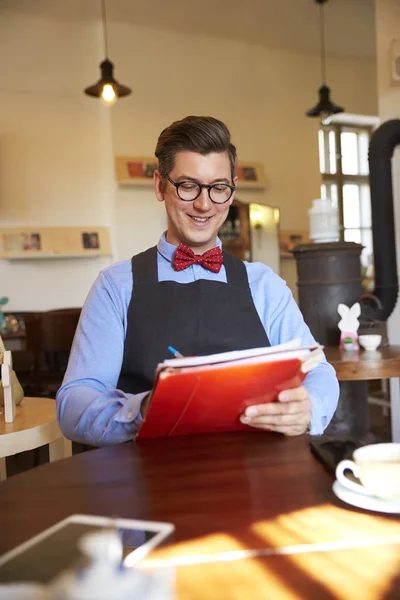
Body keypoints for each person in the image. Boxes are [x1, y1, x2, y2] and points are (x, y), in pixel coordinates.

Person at [56, 116, 339, 446]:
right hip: (147, 482)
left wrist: (308, 408)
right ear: (160, 185)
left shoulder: (265, 285)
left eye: (218, 188)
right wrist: (144, 408)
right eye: (188, 186)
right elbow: (73, 405)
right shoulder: (116, 286)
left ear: (231, 191)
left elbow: (319, 372)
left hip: (255, 479)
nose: (204, 205)